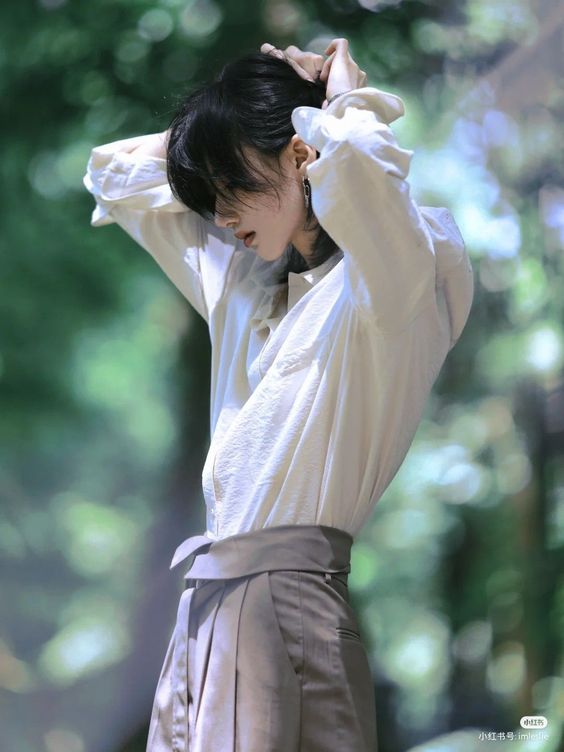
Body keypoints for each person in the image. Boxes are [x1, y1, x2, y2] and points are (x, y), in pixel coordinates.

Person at [83, 38, 474, 752]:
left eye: (232, 187)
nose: (221, 215)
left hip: (287, 616)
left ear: (302, 157)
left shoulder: (390, 287)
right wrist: (234, 112)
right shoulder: (241, 287)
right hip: (209, 619)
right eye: (210, 198)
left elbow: (364, 175)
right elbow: (115, 175)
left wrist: (339, 101)